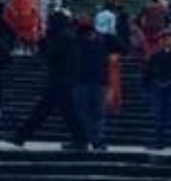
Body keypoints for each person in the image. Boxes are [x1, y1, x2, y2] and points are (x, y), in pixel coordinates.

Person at [12, 10, 79, 148]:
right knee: (63, 112)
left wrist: (42, 42)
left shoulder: (62, 37)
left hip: (59, 80)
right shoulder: (68, 36)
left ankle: (21, 136)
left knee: (46, 110)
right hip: (65, 79)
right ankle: (21, 135)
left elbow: (50, 55)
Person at [71, 18, 112, 151]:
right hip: (90, 82)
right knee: (90, 114)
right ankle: (90, 141)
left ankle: (90, 141)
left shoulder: (77, 43)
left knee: (93, 114)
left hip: (91, 82)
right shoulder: (101, 42)